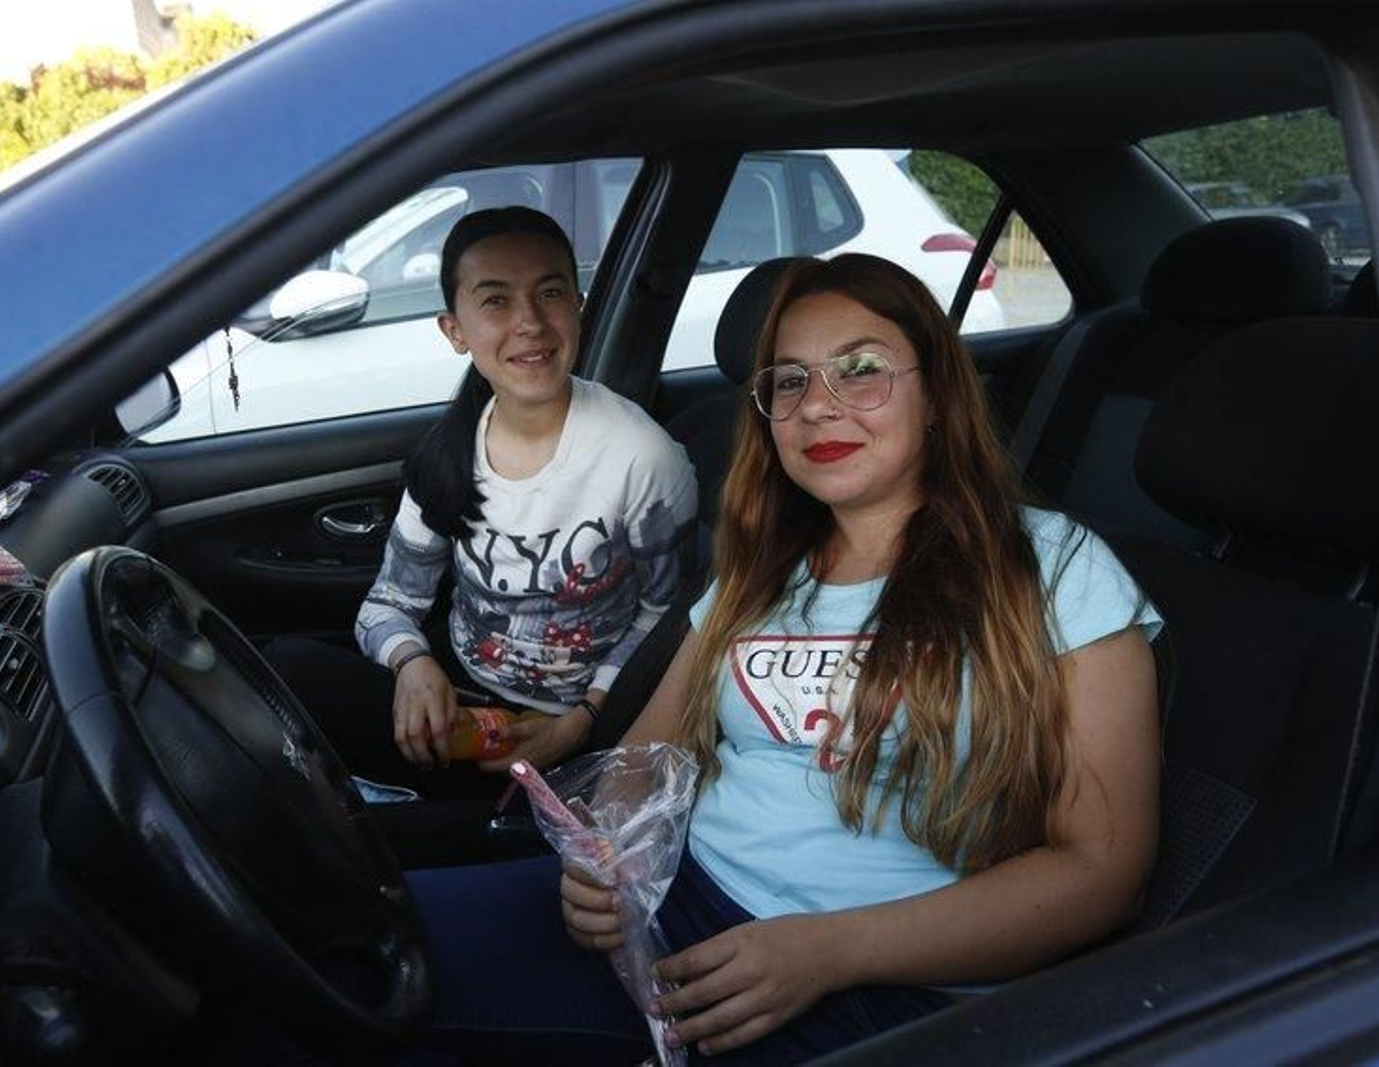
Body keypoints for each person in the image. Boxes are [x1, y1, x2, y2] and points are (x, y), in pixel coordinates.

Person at [400, 252, 1161, 1063]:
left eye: (861, 370)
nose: (818, 409)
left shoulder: (1057, 568)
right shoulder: (761, 569)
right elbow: (650, 753)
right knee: (358, 952)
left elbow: (1102, 868)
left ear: (937, 393)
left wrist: (831, 950)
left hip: (880, 984)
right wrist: (612, 858)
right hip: (675, 909)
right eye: (790, 382)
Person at [271, 206, 698, 795]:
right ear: (455, 330)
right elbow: (390, 601)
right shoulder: (448, 451)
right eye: (495, 300)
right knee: (286, 669)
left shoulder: (643, 457)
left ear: (577, 305)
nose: (529, 323)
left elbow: (666, 621)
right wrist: (412, 665)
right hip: (463, 699)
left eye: (550, 292)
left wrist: (577, 725)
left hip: (586, 718)